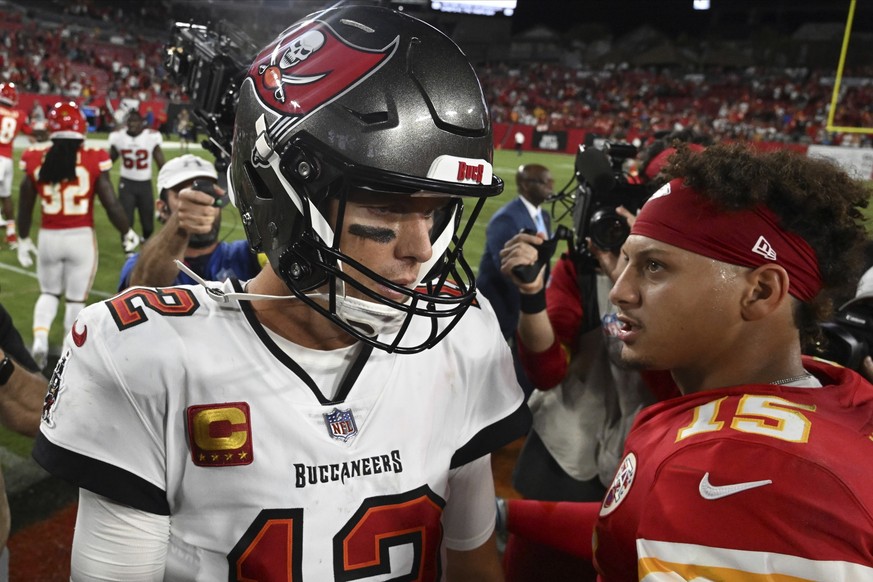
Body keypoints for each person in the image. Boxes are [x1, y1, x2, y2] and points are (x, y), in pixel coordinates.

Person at [33, 6, 530, 580]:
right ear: (279, 189)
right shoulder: (147, 356)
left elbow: (471, 565)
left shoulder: (463, 335)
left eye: (439, 210)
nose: (421, 250)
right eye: (386, 206)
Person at [501, 143, 873, 580]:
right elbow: (644, 524)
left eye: (655, 266)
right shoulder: (834, 391)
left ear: (760, 291)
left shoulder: (737, 471)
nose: (619, 291)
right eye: (628, 261)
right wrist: (508, 516)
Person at [497, 202, 665, 581]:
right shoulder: (581, 269)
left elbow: (679, 385)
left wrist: (633, 284)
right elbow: (548, 371)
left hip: (655, 455)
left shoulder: (695, 280)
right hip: (570, 448)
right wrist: (532, 296)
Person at [17, 101, 140, 370]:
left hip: (49, 237)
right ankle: (64, 352)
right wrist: (127, 230)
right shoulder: (93, 156)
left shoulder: (35, 156)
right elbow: (111, 203)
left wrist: (23, 238)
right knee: (75, 300)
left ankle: (39, 340)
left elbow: (25, 205)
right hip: (81, 238)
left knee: (48, 293)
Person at [118, 153, 260, 289]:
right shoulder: (140, 264)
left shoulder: (245, 254)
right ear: (162, 207)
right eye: (182, 194)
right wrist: (179, 225)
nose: (197, 200)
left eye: (207, 191)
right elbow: (140, 290)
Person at [478, 164, 553, 340]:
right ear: (526, 185)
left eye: (551, 181)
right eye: (545, 182)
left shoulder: (544, 216)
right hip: (500, 308)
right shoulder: (506, 218)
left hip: (524, 307)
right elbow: (508, 269)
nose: (551, 186)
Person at [108, 108, 166, 241]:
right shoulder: (119, 137)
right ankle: (128, 248)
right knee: (126, 220)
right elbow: (108, 161)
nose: (132, 124)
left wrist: (166, 184)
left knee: (148, 224)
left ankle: (145, 241)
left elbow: (161, 164)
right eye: (130, 121)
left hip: (144, 185)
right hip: (126, 184)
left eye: (135, 121)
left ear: (142, 122)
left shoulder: (151, 137)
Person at [0, 82, 23, 248]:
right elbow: (28, 130)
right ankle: (11, 234)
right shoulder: (19, 114)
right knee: (6, 196)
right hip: (8, 159)